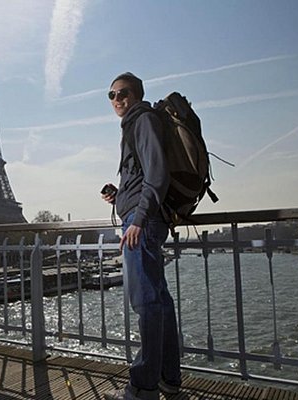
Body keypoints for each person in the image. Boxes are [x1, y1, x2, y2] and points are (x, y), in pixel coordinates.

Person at [101, 72, 181, 400]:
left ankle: (143, 387)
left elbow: (157, 173)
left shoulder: (143, 120)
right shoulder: (135, 124)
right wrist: (119, 195)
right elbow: (144, 176)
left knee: (146, 302)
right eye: (112, 95)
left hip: (141, 223)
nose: (117, 99)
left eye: (123, 93)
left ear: (136, 95)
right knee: (158, 300)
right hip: (141, 217)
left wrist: (138, 218)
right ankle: (168, 379)